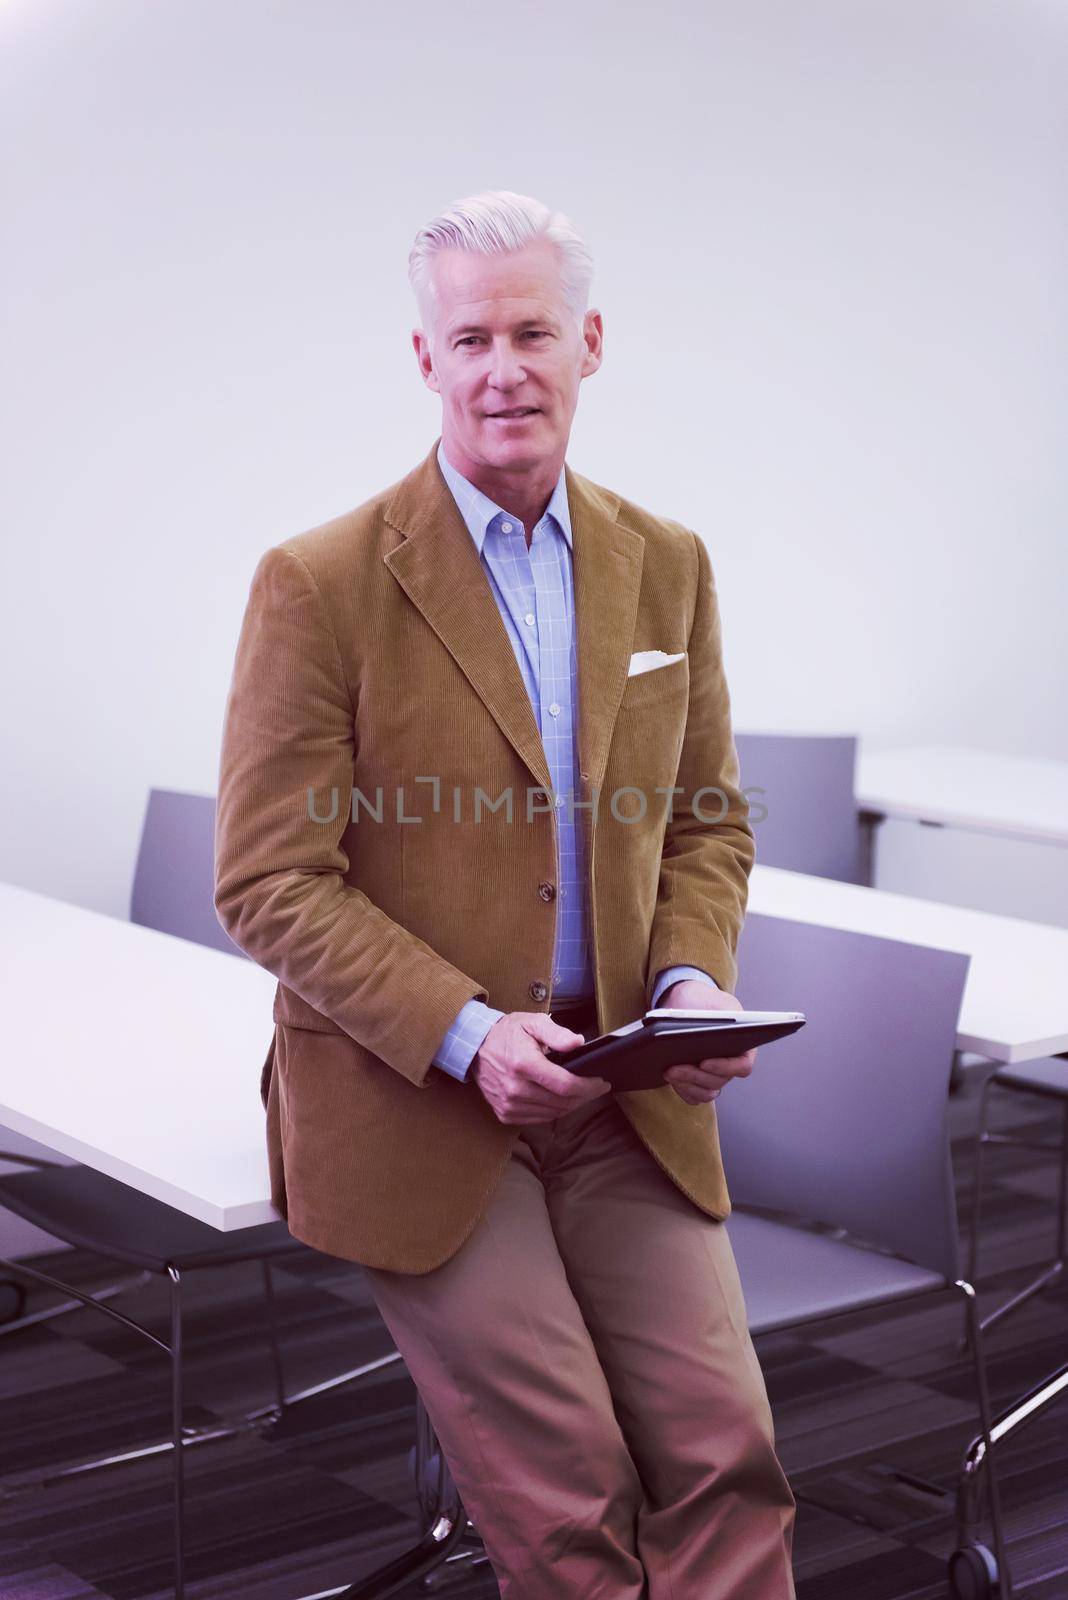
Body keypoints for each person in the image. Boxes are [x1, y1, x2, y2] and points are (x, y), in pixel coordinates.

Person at [214, 188, 796, 1598]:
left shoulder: (669, 565)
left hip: (628, 1093)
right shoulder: (321, 582)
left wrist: (688, 984)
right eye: (469, 337)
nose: (502, 369)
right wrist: (472, 1033)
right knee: (568, 1505)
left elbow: (708, 818)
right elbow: (268, 878)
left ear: (588, 343)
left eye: (532, 331)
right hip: (423, 1101)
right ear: (426, 360)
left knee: (728, 1457)